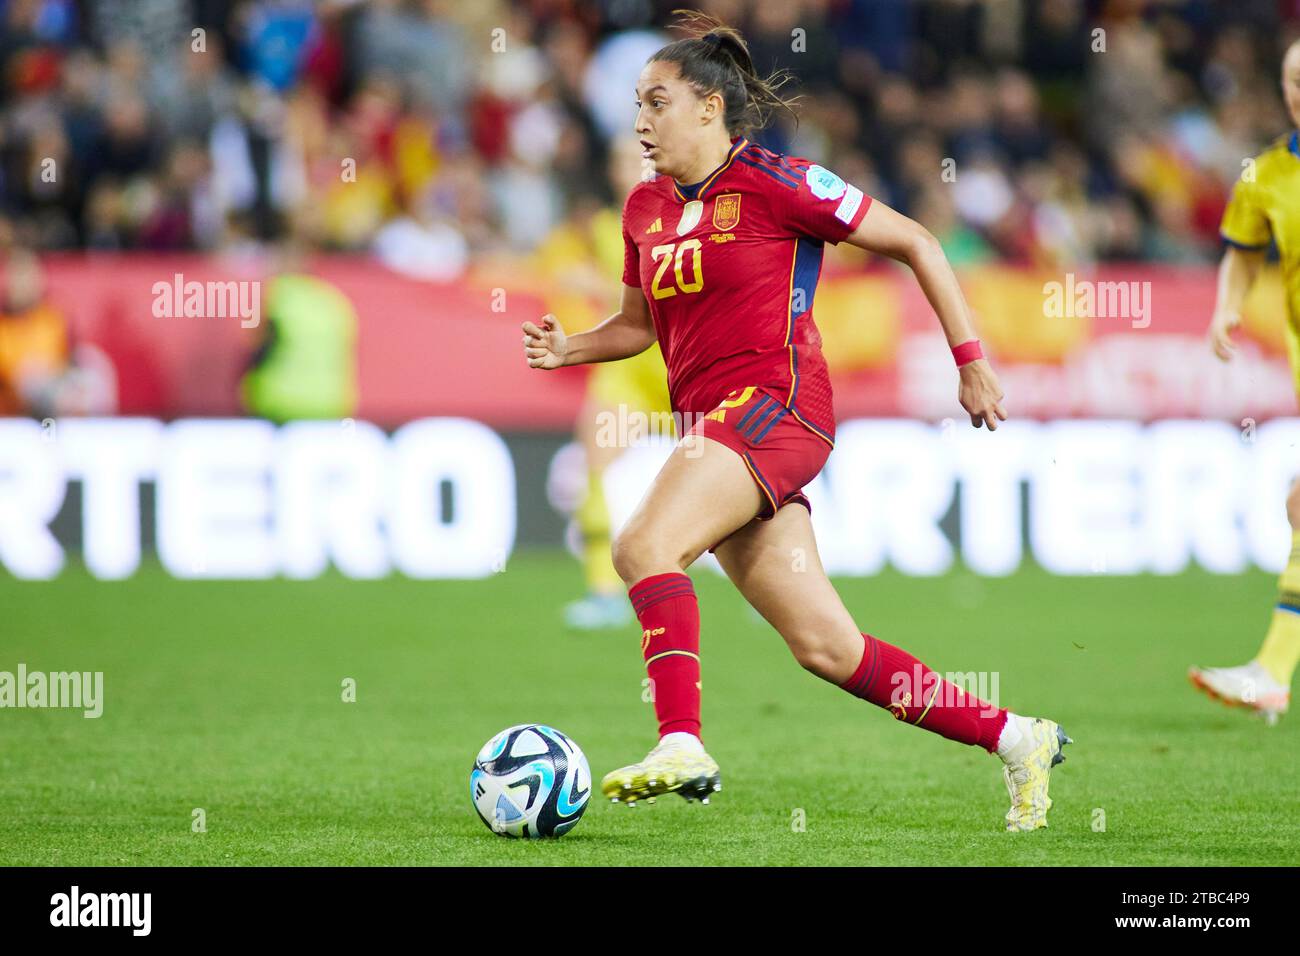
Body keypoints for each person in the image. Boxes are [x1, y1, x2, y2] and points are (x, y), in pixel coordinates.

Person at [521, 12, 1071, 832]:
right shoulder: (643, 209)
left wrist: (970, 359)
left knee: (641, 546)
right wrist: (574, 350)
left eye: (656, 101)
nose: (639, 121)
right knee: (828, 648)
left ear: (709, 107)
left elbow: (918, 240)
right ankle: (1017, 737)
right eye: (637, 103)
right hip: (718, 430)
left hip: (779, 409)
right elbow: (639, 326)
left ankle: (681, 740)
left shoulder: (780, 183)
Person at [1194, 38, 1300, 725]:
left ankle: (1272, 671)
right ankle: (1272, 671)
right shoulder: (1264, 176)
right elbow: (1241, 255)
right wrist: (1227, 306)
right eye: (1294, 79)